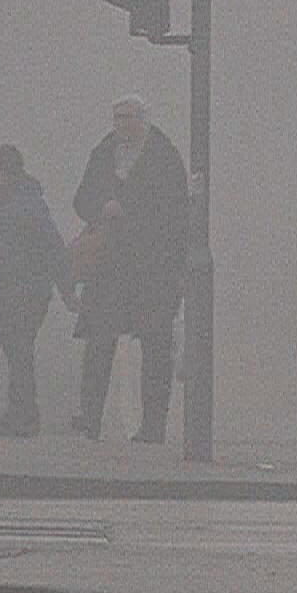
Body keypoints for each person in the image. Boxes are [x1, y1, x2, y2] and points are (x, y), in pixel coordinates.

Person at [70, 96, 188, 443]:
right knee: (99, 342)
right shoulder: (104, 152)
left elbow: (176, 212)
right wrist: (102, 207)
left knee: (155, 347)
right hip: (109, 265)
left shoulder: (164, 157)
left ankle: (153, 427)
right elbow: (81, 199)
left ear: (142, 121)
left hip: (153, 267)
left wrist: (129, 211)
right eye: (116, 117)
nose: (120, 124)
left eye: (127, 117)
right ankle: (89, 418)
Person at [0, 145, 74, 437]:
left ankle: (22, 416)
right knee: (16, 353)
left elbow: (54, 249)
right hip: (3, 291)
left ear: (8, 171)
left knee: (19, 351)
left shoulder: (30, 206)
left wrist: (67, 291)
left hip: (28, 292)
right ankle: (24, 414)